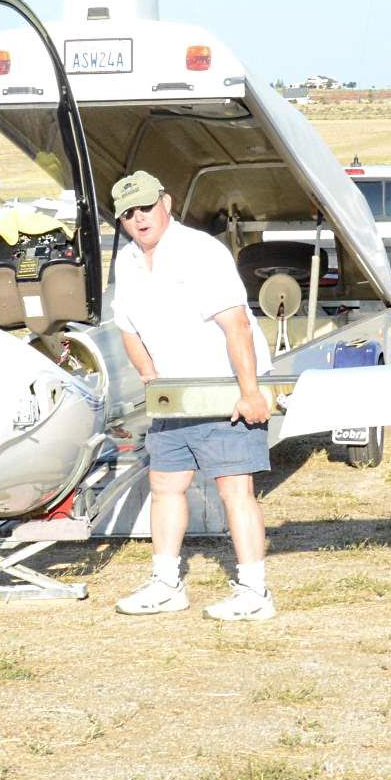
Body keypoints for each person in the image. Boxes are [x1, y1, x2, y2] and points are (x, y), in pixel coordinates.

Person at [110, 170, 275, 621]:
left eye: (146, 207)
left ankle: (255, 591)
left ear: (166, 201)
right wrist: (151, 381)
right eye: (128, 213)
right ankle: (166, 583)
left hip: (224, 390)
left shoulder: (200, 251)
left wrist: (250, 392)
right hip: (175, 396)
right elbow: (128, 328)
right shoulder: (126, 260)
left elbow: (235, 324)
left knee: (235, 489)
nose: (139, 218)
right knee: (165, 485)